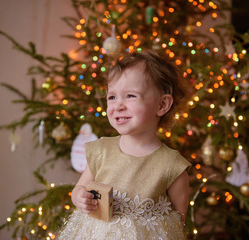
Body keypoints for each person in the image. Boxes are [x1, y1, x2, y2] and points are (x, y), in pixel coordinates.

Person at [59, 50, 191, 239]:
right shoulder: (101, 151)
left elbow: (178, 225)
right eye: (112, 97)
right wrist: (80, 198)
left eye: (130, 96)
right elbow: (79, 189)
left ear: (162, 105)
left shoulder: (172, 166)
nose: (118, 105)